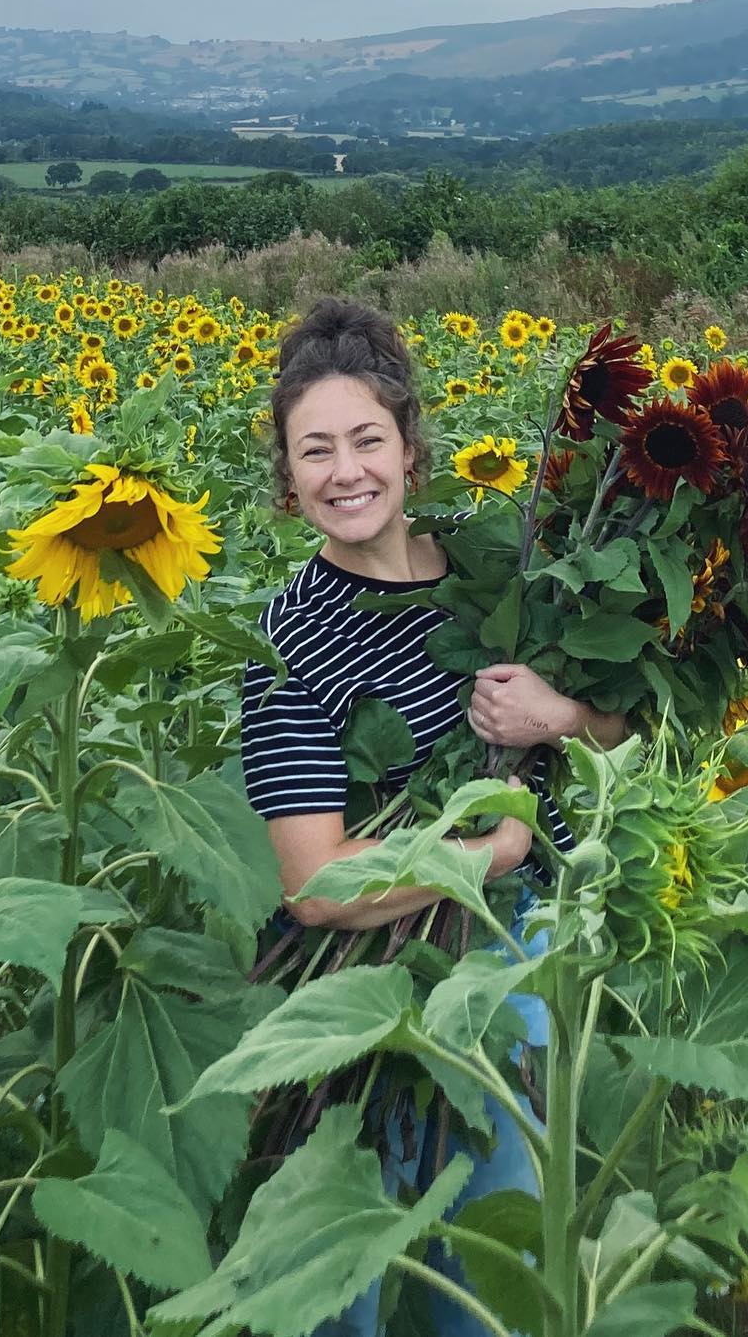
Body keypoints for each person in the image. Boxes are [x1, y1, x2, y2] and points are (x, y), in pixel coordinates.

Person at [239, 298, 625, 1337]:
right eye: (315, 450)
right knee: (339, 1284)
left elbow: (619, 727)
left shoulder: (502, 568)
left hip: (513, 962)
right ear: (287, 478)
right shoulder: (289, 643)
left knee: (495, 1269)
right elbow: (317, 885)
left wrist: (560, 716)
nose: (345, 471)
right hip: (360, 991)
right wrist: (493, 847)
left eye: (367, 439)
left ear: (410, 449)